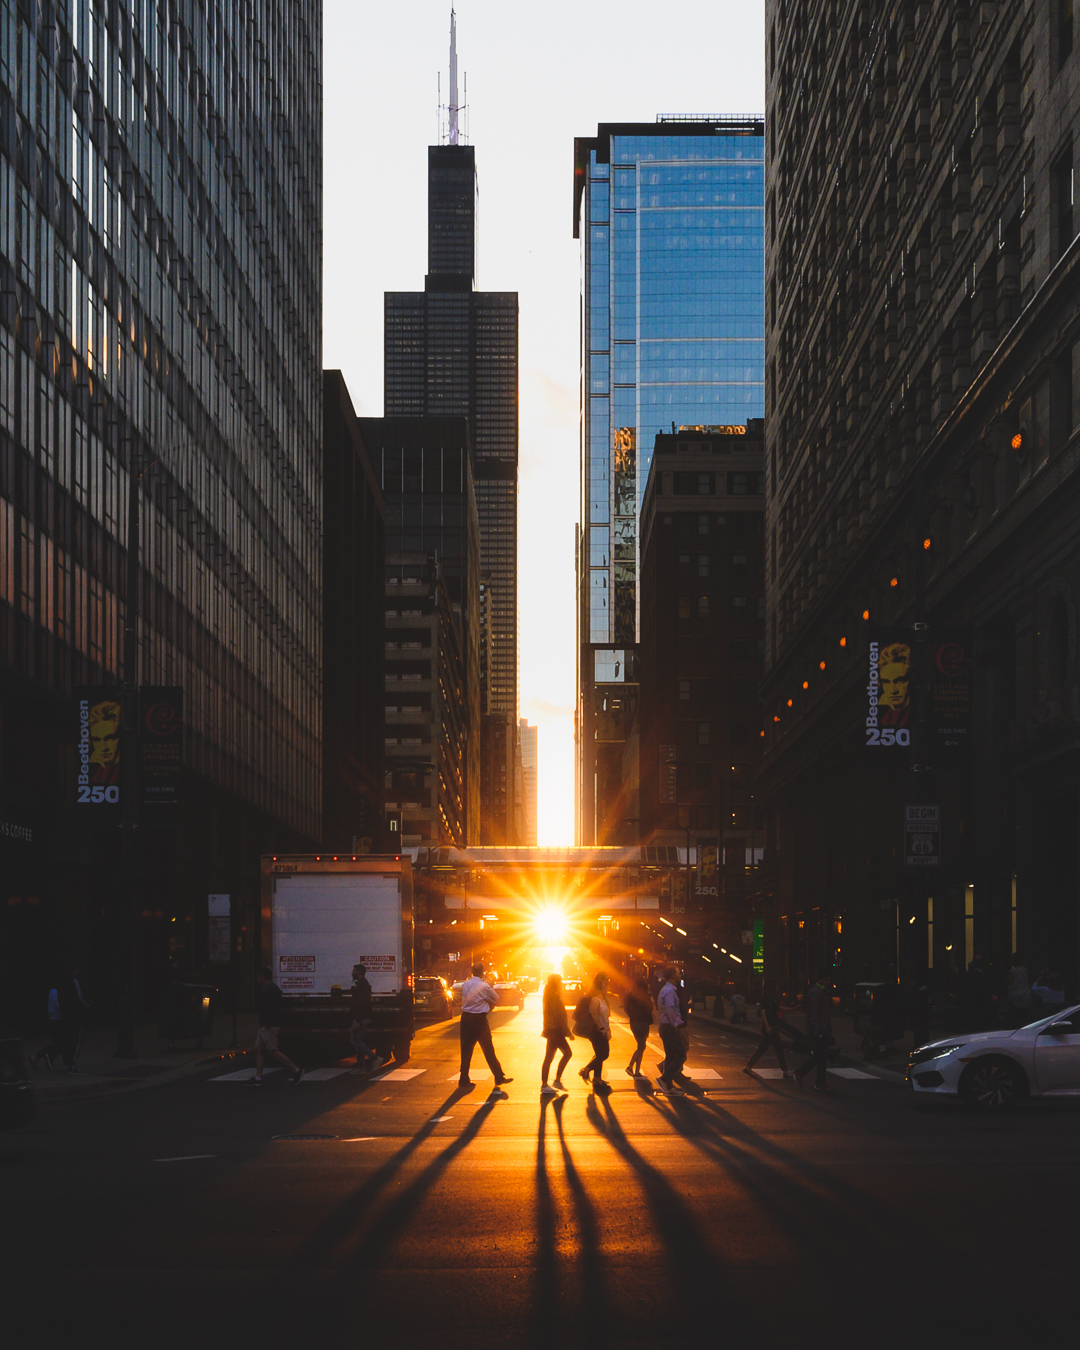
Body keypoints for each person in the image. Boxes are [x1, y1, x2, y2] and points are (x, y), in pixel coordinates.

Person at [458, 962, 513, 1094]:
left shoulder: (466, 984)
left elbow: (463, 998)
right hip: (479, 1020)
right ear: (482, 972)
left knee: (466, 1050)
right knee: (488, 1049)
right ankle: (499, 1076)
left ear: (472, 972)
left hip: (465, 1019)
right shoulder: (484, 986)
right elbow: (495, 998)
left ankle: (463, 1079)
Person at [251, 967, 303, 1085]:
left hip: (269, 1025)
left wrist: (268, 1023)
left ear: (263, 977)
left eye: (258, 976)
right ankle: (258, 1077)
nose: (257, 979)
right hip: (265, 1025)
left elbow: (272, 1008)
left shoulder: (270, 990)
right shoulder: (269, 989)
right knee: (259, 1049)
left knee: (272, 1051)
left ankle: (295, 1069)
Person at [743, 988, 792, 1078]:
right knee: (778, 1047)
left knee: (764, 1048)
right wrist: (767, 1026)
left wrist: (793, 1009)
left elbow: (779, 1008)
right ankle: (785, 1071)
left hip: (771, 1026)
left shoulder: (773, 1000)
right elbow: (763, 1012)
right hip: (769, 1027)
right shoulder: (766, 1000)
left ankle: (748, 1067)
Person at [794, 976, 832, 1091]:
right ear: (820, 980)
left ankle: (820, 1081)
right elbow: (813, 1012)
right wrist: (815, 1028)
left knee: (821, 1056)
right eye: (826, 979)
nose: (828, 982)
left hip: (821, 1028)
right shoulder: (816, 993)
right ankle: (801, 1072)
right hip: (818, 1029)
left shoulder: (819, 992)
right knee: (820, 1055)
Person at [577, 972, 612, 1091]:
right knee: (604, 1054)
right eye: (606, 984)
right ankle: (586, 1070)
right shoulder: (595, 999)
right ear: (601, 985)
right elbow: (594, 1014)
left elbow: (606, 1017)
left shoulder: (602, 999)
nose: (607, 987)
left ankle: (597, 1078)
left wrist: (608, 1030)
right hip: (596, 1031)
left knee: (599, 1054)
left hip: (602, 1030)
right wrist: (601, 1028)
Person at [540, 973, 573, 1094]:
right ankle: (553, 1081)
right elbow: (558, 1017)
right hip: (555, 1031)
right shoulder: (553, 997)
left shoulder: (550, 995)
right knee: (567, 1053)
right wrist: (568, 1033)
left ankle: (549, 1082)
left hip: (552, 1030)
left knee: (549, 1058)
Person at [349, 963, 384, 1075]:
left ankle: (374, 1058)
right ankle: (361, 1066)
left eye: (354, 971)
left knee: (355, 1039)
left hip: (361, 1017)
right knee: (359, 1041)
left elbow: (362, 1004)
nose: (352, 973)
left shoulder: (362, 985)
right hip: (363, 1016)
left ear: (358, 972)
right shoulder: (363, 984)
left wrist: (358, 1020)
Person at [656, 967, 687, 1094]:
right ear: (673, 976)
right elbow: (669, 1007)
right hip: (668, 1026)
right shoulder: (669, 991)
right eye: (678, 973)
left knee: (670, 1055)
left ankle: (669, 1086)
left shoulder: (667, 989)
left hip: (666, 1026)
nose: (680, 975)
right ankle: (664, 1079)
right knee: (681, 1054)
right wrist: (675, 1024)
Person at [59, 965, 91, 1074]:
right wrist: (89, 1005)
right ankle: (72, 1066)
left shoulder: (62, 981)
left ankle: (66, 1064)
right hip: (75, 1016)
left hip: (65, 1015)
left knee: (67, 1040)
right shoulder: (74, 981)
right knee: (77, 1040)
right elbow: (80, 997)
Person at [623, 975, 654, 1078]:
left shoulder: (629, 994)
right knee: (641, 1046)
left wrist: (632, 1015)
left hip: (634, 1021)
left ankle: (633, 1068)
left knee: (641, 1046)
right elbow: (650, 1008)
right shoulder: (644, 995)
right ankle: (633, 1068)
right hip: (643, 1022)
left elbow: (626, 1007)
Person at [30, 983, 63, 1070]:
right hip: (57, 1019)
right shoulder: (55, 992)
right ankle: (48, 1056)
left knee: (57, 1043)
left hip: (54, 1019)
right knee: (61, 1044)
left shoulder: (52, 992)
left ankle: (36, 1057)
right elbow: (59, 1005)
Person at [1005, 955, 1031, 1028]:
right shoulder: (1025, 970)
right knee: (1024, 1016)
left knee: (1014, 1017)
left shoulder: (1012, 971)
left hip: (1015, 996)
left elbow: (1006, 982)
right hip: (1026, 995)